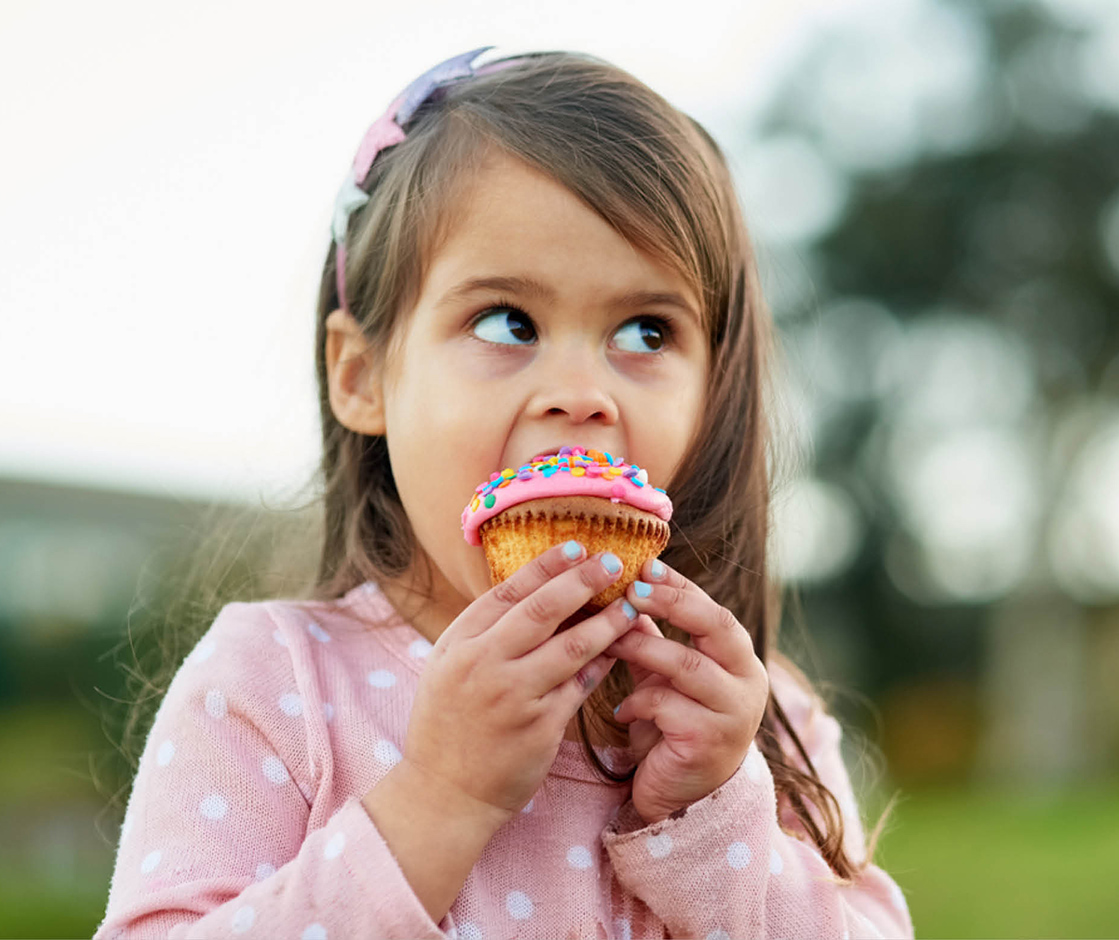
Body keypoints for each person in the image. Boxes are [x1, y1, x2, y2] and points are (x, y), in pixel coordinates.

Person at [94, 46, 914, 939]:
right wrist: (438, 800)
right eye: (506, 322)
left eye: (646, 330)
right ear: (362, 375)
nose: (582, 391)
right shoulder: (273, 681)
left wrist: (714, 820)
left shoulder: (748, 715)